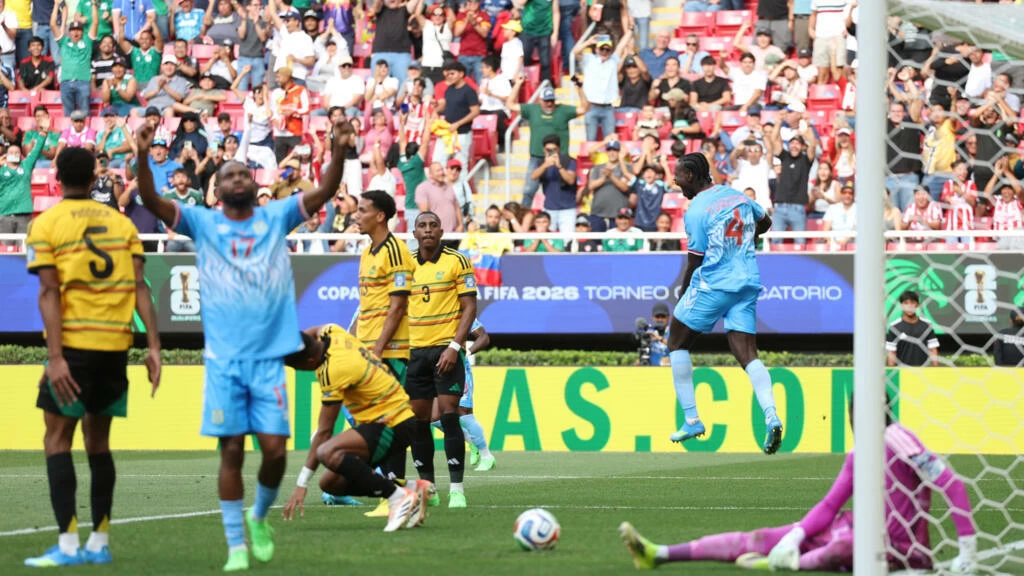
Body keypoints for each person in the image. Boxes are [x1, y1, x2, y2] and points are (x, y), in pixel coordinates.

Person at [131, 118, 354, 571]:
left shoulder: (278, 215)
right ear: (215, 189)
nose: (237, 178)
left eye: (243, 174)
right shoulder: (201, 221)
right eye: (228, 175)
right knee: (231, 450)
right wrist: (140, 154)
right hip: (224, 363)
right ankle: (235, 546)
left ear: (255, 184)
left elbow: (327, 191)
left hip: (270, 361)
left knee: (274, 451)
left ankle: (257, 518)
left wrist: (338, 149)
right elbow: (152, 200)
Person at [620, 394, 978, 573]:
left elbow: (953, 485)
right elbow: (828, 506)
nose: (853, 420)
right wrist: (795, 533)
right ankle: (659, 554)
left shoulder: (898, 438)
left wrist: (967, 548)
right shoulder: (858, 454)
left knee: (843, 545)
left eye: (856, 413)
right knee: (762, 537)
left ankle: (782, 563)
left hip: (903, 549)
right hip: (858, 532)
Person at [22, 147, 161, 568]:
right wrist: (154, 346)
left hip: (76, 347)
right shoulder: (122, 225)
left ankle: (66, 545)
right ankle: (99, 542)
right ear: (95, 176)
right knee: (98, 443)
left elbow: (49, 292)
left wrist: (56, 357)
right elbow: (141, 288)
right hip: (115, 347)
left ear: (58, 176)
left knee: (56, 439)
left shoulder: (45, 224)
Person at [668, 153, 780, 454]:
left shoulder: (696, 211)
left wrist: (683, 290)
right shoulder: (736, 196)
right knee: (746, 353)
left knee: (676, 341)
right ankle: (771, 415)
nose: (675, 181)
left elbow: (695, 260)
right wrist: (742, 239)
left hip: (716, 283)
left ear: (691, 176)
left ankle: (692, 418)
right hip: (747, 282)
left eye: (678, 175)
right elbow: (765, 222)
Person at [279, 326, 427, 531]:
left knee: (326, 451)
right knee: (331, 484)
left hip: (393, 423)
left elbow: (324, 431)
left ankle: (397, 497)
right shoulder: (333, 333)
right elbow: (315, 331)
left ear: (310, 362)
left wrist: (301, 484)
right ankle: (410, 489)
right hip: (388, 420)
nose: (300, 371)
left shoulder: (333, 369)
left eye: (297, 368)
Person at [407, 211, 478, 509]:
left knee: (449, 416)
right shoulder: (405, 264)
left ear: (441, 230)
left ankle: (457, 489)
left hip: (445, 351)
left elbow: (470, 307)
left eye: (432, 225)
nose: (427, 230)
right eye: (422, 225)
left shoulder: (457, 260)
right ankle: (430, 489)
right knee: (418, 422)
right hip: (414, 353)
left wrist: (454, 346)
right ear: (414, 232)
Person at [506, 83, 587, 210]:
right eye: (546, 101)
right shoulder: (532, 109)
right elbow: (509, 105)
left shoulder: (563, 110)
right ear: (540, 100)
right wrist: (518, 84)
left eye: (552, 101)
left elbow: (584, 108)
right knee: (528, 190)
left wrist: (580, 89)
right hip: (537, 157)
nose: (549, 104)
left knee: (557, 191)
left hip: (560, 158)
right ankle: (522, 217)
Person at [52, 1, 98, 117]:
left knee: (85, 114)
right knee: (68, 115)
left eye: (78, 30)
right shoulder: (64, 42)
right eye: (73, 30)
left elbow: (95, 23)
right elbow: (53, 24)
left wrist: (93, 4)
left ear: (82, 32)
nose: (75, 32)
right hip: (66, 82)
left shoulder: (87, 42)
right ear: (69, 32)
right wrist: (57, 5)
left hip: (83, 81)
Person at [0, 131, 44, 243]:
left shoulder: (26, 165)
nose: (14, 154)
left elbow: (36, 150)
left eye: (17, 152)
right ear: (6, 155)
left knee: (24, 250)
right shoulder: (1, 170)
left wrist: (43, 132)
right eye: (11, 152)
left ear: (21, 155)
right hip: (4, 215)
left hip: (24, 215)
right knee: (6, 251)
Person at [532, 133, 577, 233]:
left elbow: (570, 180)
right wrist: (545, 165)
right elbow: (533, 176)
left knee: (568, 240)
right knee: (548, 239)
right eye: (548, 150)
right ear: (544, 149)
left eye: (554, 150)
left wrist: (559, 166)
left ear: (559, 149)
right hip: (549, 207)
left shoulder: (568, 161)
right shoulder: (541, 163)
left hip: (568, 208)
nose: (551, 152)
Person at [586, 139, 632, 232]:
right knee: (596, 242)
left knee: (616, 244)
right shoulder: (597, 167)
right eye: (609, 150)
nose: (612, 153)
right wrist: (603, 178)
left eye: (615, 150)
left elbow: (625, 187)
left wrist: (611, 176)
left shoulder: (626, 167)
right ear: (606, 152)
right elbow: (591, 186)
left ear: (619, 152)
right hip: (598, 212)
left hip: (619, 214)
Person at [886, 290, 940, 368]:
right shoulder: (894, 327)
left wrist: (936, 371)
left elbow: (933, 349)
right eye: (906, 303)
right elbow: (891, 353)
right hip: (902, 373)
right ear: (901, 306)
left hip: (923, 373)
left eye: (912, 303)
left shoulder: (927, 325)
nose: (909, 306)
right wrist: (892, 376)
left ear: (917, 305)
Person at [514, 0, 559, 85]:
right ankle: (525, 86)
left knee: (545, 62)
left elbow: (556, 12)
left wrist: (555, 33)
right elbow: (520, 2)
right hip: (527, 30)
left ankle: (545, 87)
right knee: (525, 59)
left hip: (545, 31)